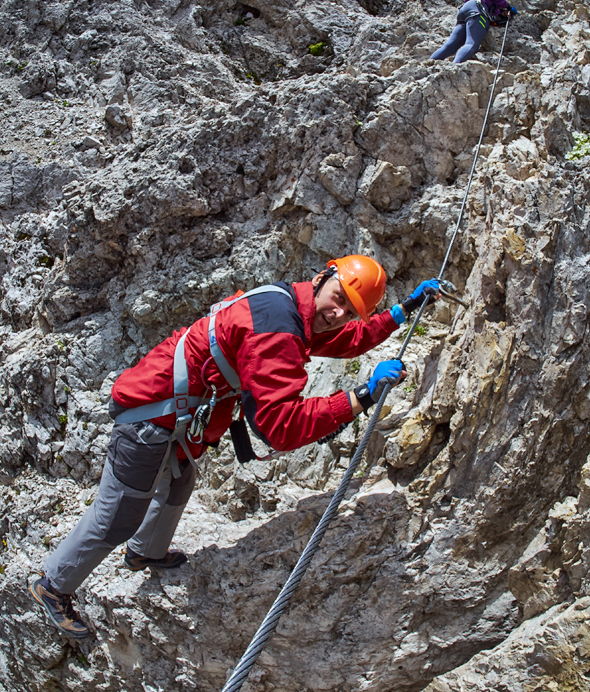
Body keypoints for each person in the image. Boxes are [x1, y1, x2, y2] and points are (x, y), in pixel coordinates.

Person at [29, 256, 443, 639]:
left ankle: (146, 553)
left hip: (171, 413)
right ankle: (53, 585)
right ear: (323, 278)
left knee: (177, 483)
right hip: (150, 419)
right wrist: (359, 398)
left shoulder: (289, 305)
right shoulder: (278, 329)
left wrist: (401, 311)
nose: (338, 315)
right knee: (118, 515)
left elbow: (338, 339)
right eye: (339, 300)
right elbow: (279, 426)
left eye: (351, 311)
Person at [430, 0, 523, 64]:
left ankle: (427, 67)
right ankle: (453, 69)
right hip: (478, 8)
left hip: (468, 8)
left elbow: (492, 2)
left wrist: (502, 13)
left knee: (451, 45)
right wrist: (507, 6)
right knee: (472, 44)